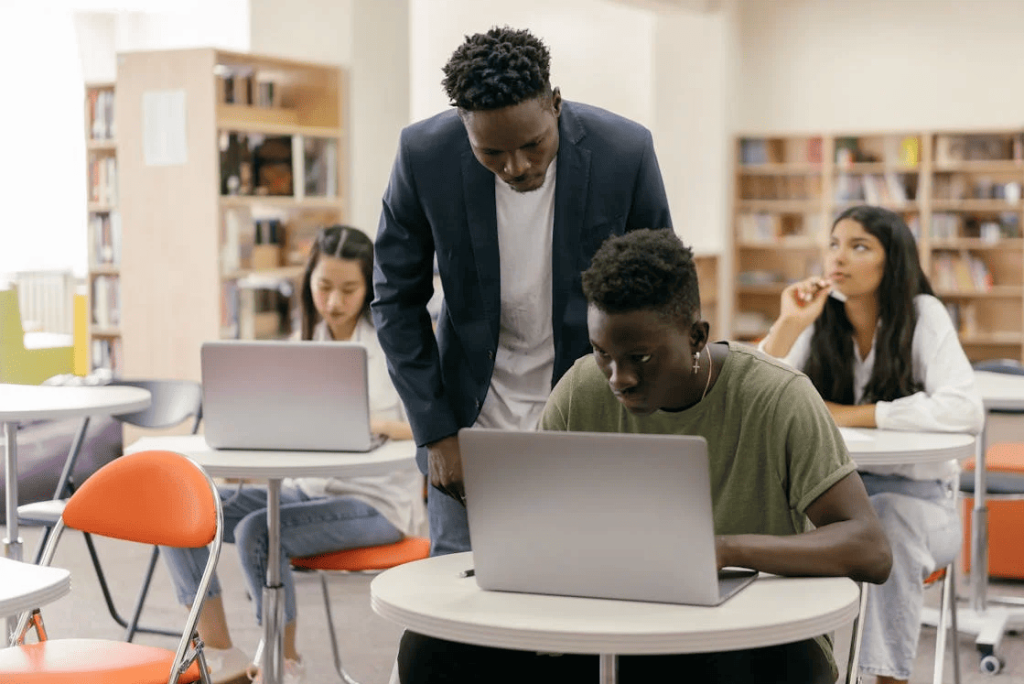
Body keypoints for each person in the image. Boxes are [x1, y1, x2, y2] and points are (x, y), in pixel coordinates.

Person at [397, 228, 893, 684]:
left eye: (642, 358)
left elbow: (869, 549)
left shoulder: (777, 395)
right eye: (603, 353)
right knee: (431, 650)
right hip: (610, 626)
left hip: (750, 637)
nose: (619, 378)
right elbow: (544, 527)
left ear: (697, 336)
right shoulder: (580, 390)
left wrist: (723, 550)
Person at [371, 26, 673, 558]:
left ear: (555, 104)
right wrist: (435, 433)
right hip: (467, 427)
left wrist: (645, 411)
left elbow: (662, 290)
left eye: (533, 145)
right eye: (492, 153)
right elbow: (395, 299)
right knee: (459, 613)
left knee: (584, 591)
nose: (517, 167)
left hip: (590, 416)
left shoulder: (623, 151)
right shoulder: (424, 155)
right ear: (463, 128)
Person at [161, 225, 425, 684]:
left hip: (377, 503)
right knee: (177, 510)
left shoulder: (395, 345)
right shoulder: (305, 341)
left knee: (256, 533)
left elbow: (428, 428)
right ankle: (221, 651)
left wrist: (377, 426)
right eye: (324, 287)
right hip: (310, 487)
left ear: (369, 287)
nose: (334, 301)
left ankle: (284, 663)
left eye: (348, 289)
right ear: (309, 285)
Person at [758, 205, 984, 684]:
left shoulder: (924, 315)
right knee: (767, 522)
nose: (839, 257)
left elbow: (965, 409)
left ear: (892, 260)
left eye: (859, 246)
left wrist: (854, 414)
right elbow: (753, 392)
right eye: (835, 244)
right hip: (836, 501)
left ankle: (884, 679)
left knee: (886, 523)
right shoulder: (821, 320)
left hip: (921, 507)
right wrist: (790, 324)